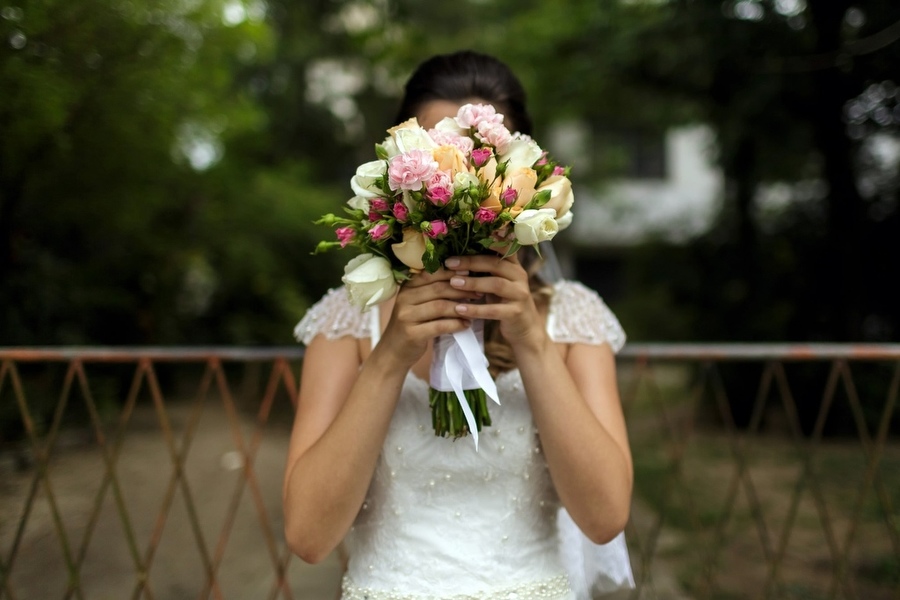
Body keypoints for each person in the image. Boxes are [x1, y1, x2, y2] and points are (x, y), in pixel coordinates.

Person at [283, 50, 633, 600]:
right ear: (396, 181)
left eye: (476, 162)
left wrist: (533, 345)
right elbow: (307, 536)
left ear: (522, 183)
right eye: (434, 156)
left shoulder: (573, 318)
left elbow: (605, 517)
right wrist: (390, 355)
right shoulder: (347, 319)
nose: (452, 180)